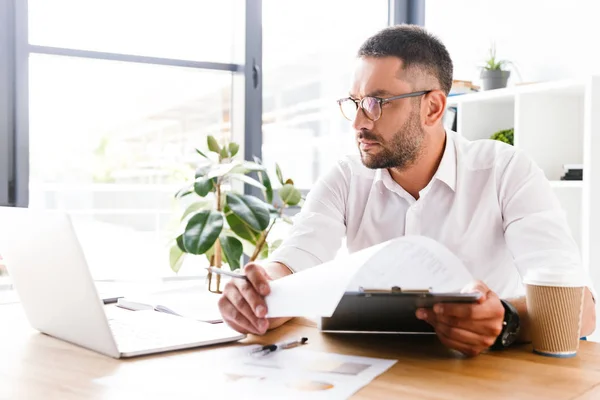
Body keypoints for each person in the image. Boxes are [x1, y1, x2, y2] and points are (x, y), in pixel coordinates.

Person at [217, 24, 596, 356]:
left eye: (377, 102)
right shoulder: (346, 177)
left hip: (480, 376)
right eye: (355, 103)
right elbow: (292, 264)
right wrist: (257, 292)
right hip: (371, 370)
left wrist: (506, 320)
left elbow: (582, 310)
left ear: (433, 108)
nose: (359, 123)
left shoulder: (505, 171)